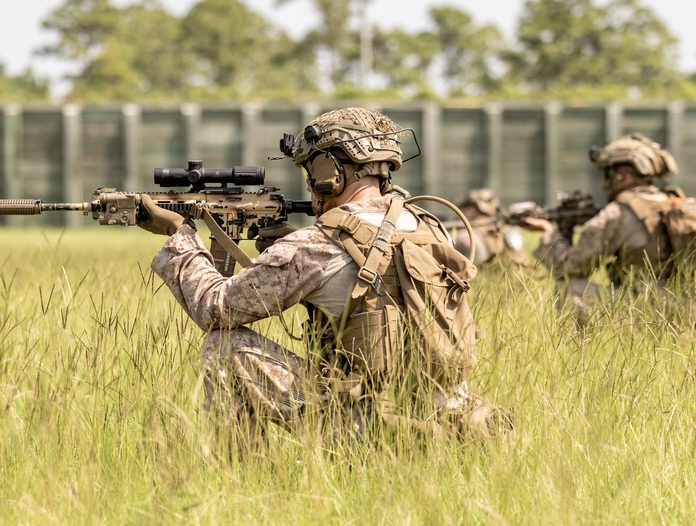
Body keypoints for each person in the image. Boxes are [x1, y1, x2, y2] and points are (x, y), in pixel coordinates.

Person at [137, 107, 509, 450]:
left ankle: (240, 483)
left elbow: (215, 306)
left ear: (329, 169)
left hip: (371, 424)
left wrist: (179, 234)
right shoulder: (428, 226)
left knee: (224, 345)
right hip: (444, 415)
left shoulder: (314, 245)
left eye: (310, 170)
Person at [519, 133, 696, 326]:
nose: (605, 184)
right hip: (689, 308)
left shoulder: (618, 213)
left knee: (569, 289)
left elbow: (570, 268)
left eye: (608, 174)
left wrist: (548, 232)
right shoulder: (671, 203)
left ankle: (577, 353)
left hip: (650, 310)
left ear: (623, 174)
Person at [451, 188, 528, 267]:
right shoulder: (508, 229)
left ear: (472, 208)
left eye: (463, 208)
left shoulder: (466, 237)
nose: (459, 213)